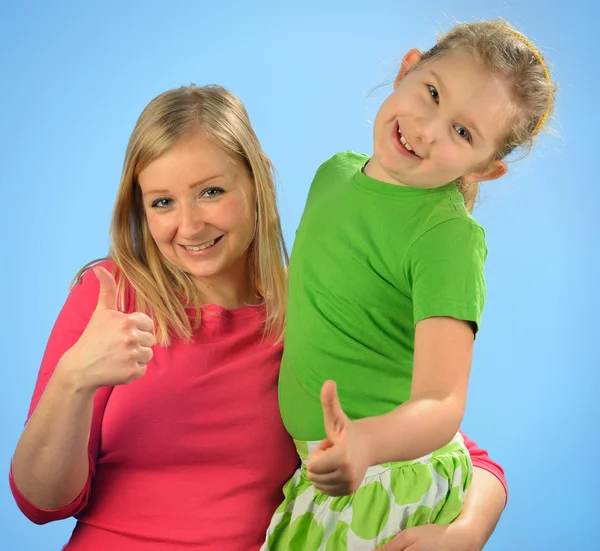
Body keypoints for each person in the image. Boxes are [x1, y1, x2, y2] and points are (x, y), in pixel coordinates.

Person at [10, 84, 507, 551]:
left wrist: (466, 531)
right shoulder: (109, 297)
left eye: (211, 192)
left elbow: (444, 445)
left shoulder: (309, 303)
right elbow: (42, 503)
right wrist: (73, 380)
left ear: (258, 178)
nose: (189, 225)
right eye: (162, 202)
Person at [262, 21, 555, 550]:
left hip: (386, 482)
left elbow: (442, 401)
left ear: (485, 169)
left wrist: (366, 443)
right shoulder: (333, 176)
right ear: (407, 68)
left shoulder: (446, 237)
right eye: (433, 93)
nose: (426, 130)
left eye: (462, 133)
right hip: (320, 477)